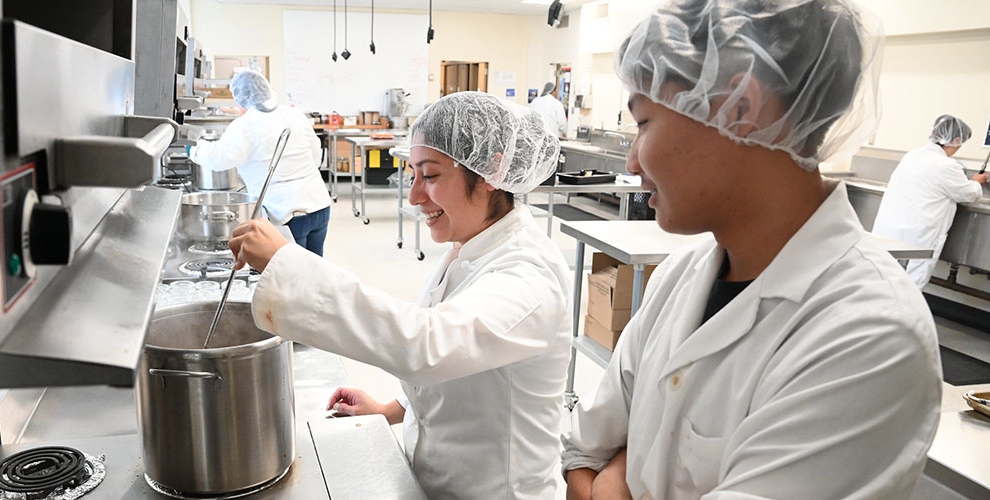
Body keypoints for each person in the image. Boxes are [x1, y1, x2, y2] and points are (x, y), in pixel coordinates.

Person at [561, 1, 941, 499]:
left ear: (739, 108)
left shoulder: (871, 334)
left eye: (645, 123)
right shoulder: (681, 277)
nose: (632, 160)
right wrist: (612, 468)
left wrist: (619, 472)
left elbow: (596, 469)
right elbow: (581, 453)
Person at [229, 91, 570, 500]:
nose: (413, 196)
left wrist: (287, 264)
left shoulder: (528, 276)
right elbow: (465, 363)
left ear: (490, 172)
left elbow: (428, 344)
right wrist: (391, 409)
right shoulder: (470, 248)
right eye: (413, 175)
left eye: (430, 176)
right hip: (435, 481)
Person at [188, 69, 332, 256]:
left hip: (288, 213)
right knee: (314, 267)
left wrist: (193, 149)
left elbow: (219, 158)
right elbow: (315, 153)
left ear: (241, 97)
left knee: (292, 274)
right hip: (319, 204)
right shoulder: (294, 114)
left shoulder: (246, 125)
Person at [871, 115, 986, 289]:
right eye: (961, 142)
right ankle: (902, 314)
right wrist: (978, 181)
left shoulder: (912, 155)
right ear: (955, 140)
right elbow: (968, 194)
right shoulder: (946, 165)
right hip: (919, 236)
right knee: (912, 284)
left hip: (891, 229)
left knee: (881, 277)